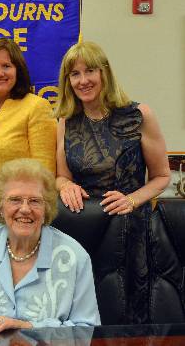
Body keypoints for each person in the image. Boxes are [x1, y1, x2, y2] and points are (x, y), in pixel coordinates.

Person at [54, 41, 170, 323]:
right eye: (75, 74)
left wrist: (131, 199)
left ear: (105, 73)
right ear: (68, 81)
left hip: (131, 230)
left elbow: (162, 176)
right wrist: (64, 186)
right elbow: (61, 176)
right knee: (84, 312)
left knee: (128, 312)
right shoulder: (66, 121)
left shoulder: (139, 115)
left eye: (90, 71)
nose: (83, 80)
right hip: (84, 232)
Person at [0, 158, 100, 334]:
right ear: (0, 206)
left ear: (47, 207)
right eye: (15, 200)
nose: (25, 209)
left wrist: (25, 326)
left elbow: (87, 330)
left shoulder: (74, 256)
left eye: (34, 201)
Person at [0, 38, 57, 241]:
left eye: (6, 66)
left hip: (21, 216)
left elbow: (46, 172)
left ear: (18, 70)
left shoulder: (36, 107)